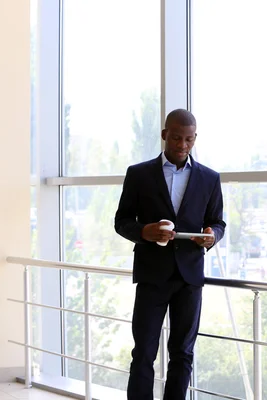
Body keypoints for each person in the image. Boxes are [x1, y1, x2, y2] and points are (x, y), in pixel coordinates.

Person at [115, 109, 225, 400]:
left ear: (195, 139)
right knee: (143, 353)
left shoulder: (210, 179)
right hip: (152, 275)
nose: (182, 145)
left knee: (183, 353)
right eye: (176, 138)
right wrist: (145, 231)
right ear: (165, 135)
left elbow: (218, 222)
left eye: (189, 139)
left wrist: (212, 236)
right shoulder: (138, 174)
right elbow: (122, 221)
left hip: (189, 278)